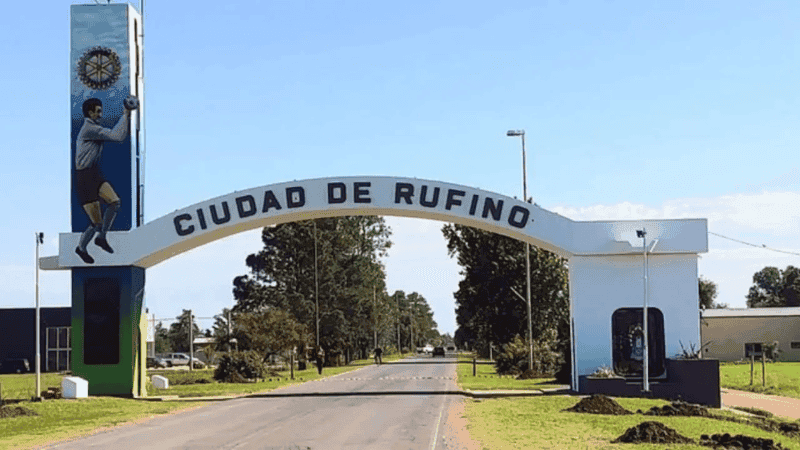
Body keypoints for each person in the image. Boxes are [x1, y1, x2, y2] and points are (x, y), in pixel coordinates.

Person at [73, 97, 132, 264]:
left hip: (94, 173)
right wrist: (126, 114)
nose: (100, 114)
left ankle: (101, 238)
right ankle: (81, 248)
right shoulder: (90, 129)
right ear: (90, 113)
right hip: (84, 177)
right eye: (98, 111)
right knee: (96, 223)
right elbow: (118, 136)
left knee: (115, 202)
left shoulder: (93, 128)